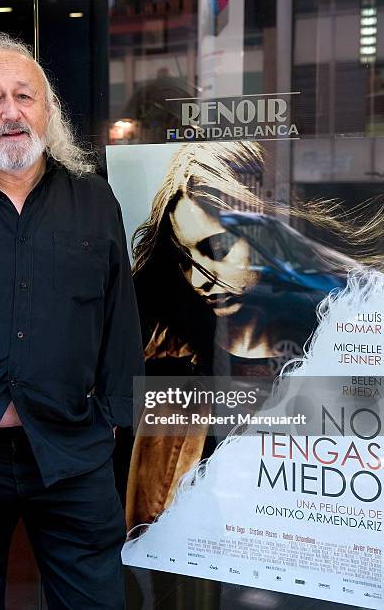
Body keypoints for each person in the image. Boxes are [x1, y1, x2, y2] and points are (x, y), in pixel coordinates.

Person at [0, 33, 144, 609]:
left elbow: (121, 315)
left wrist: (116, 418)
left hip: (71, 453)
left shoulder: (95, 200)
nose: (12, 110)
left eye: (25, 95)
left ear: (49, 111)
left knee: (94, 601)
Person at [125, 141, 381, 531]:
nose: (199, 279)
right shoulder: (163, 358)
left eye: (217, 249)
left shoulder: (337, 339)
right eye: (185, 257)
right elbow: (145, 526)